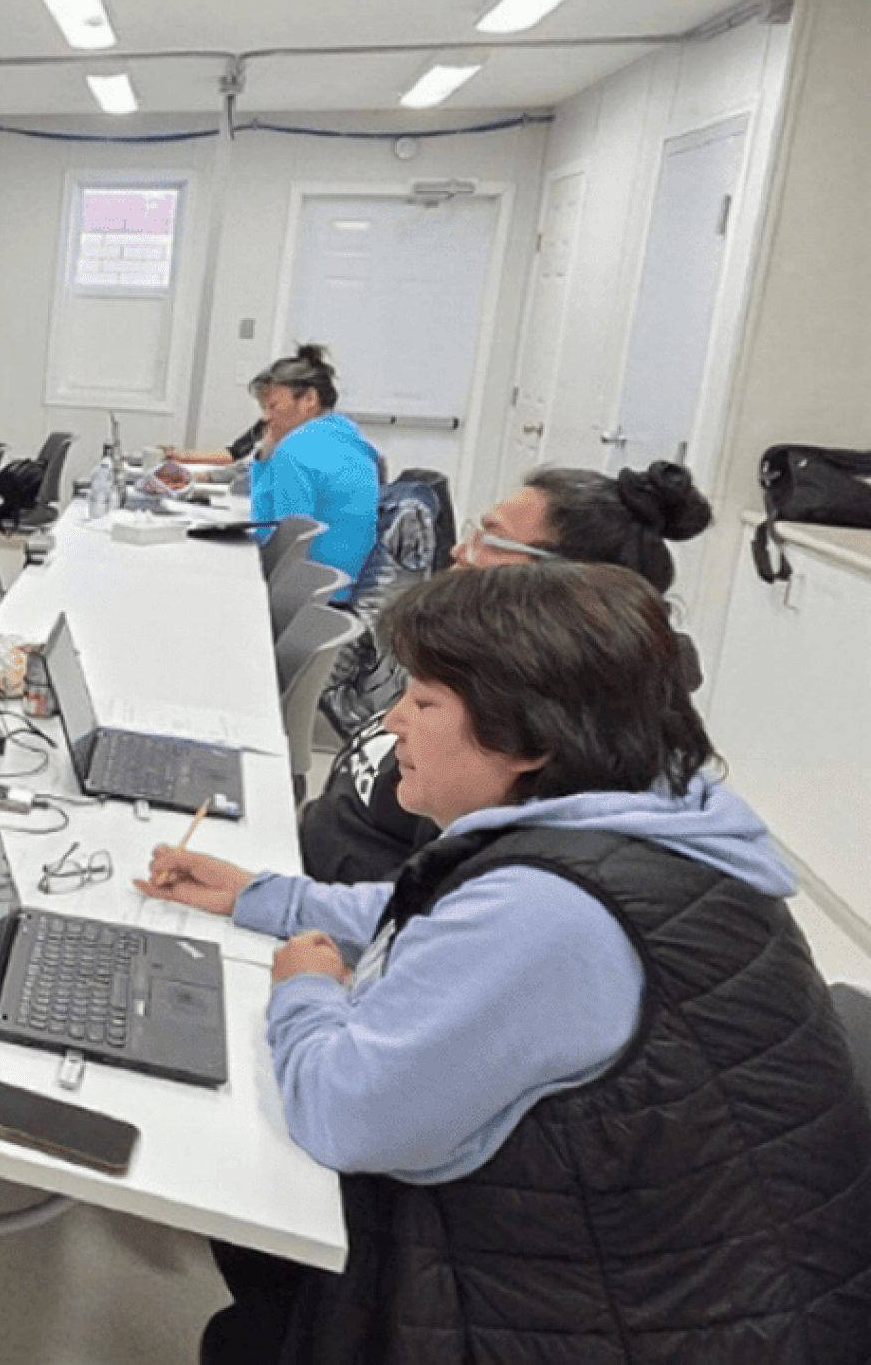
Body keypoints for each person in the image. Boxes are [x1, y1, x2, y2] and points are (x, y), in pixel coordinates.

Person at [139, 562, 871, 1364]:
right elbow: (437, 922)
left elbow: (346, 1113)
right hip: (700, 1281)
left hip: (611, 1319)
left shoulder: (552, 916)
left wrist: (306, 990)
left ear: (532, 737)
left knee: (244, 1173)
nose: (391, 721)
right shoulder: (653, 820)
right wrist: (265, 896)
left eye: (422, 702)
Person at [302, 459, 715, 883]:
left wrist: (273, 899)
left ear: (563, 584)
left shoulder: (540, 717)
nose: (459, 552)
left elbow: (432, 903)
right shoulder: (474, 659)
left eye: (491, 539)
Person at [244, 344, 378, 594]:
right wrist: (265, 456)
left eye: (273, 406)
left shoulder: (294, 449)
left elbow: (274, 536)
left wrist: (266, 457)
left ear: (309, 399)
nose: (265, 417)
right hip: (347, 585)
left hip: (309, 593)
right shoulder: (349, 436)